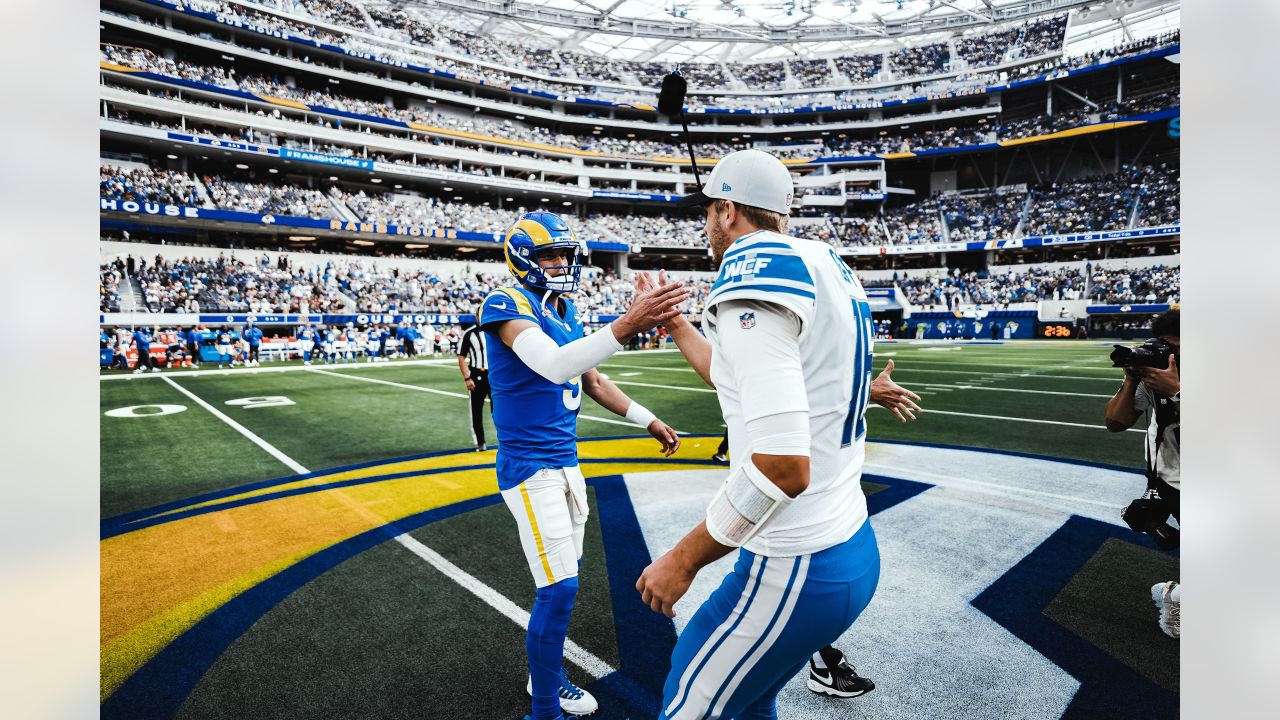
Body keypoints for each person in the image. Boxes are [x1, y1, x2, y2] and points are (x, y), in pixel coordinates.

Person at [634, 149, 890, 719]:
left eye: (708, 212)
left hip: (797, 562)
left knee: (688, 706)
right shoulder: (824, 261)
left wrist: (683, 559)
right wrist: (676, 324)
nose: (705, 225)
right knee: (747, 704)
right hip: (848, 541)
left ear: (728, 210)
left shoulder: (755, 270)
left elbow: (782, 467)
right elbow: (741, 382)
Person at [478, 211, 686, 720]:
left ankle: (544, 676)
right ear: (522, 257)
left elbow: (591, 381)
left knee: (564, 579)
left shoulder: (563, 306)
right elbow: (553, 364)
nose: (559, 263)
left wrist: (648, 419)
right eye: (549, 255)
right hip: (531, 467)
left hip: (566, 464)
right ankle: (544, 708)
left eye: (563, 255)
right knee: (559, 587)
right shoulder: (507, 303)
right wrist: (627, 324)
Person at [1104, 308, 1180, 639]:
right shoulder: (1156, 374)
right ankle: (1174, 601)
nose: (1169, 356)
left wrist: (1178, 392)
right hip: (1174, 480)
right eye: (1166, 348)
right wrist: (1132, 377)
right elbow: (1115, 422)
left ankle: (1172, 596)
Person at [457, 309, 492, 452]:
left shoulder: (495, 331)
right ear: (477, 316)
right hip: (477, 376)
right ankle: (480, 442)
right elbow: (461, 357)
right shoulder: (469, 333)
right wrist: (467, 377)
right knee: (476, 411)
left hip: (494, 376)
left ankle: (504, 441)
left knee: (500, 411)